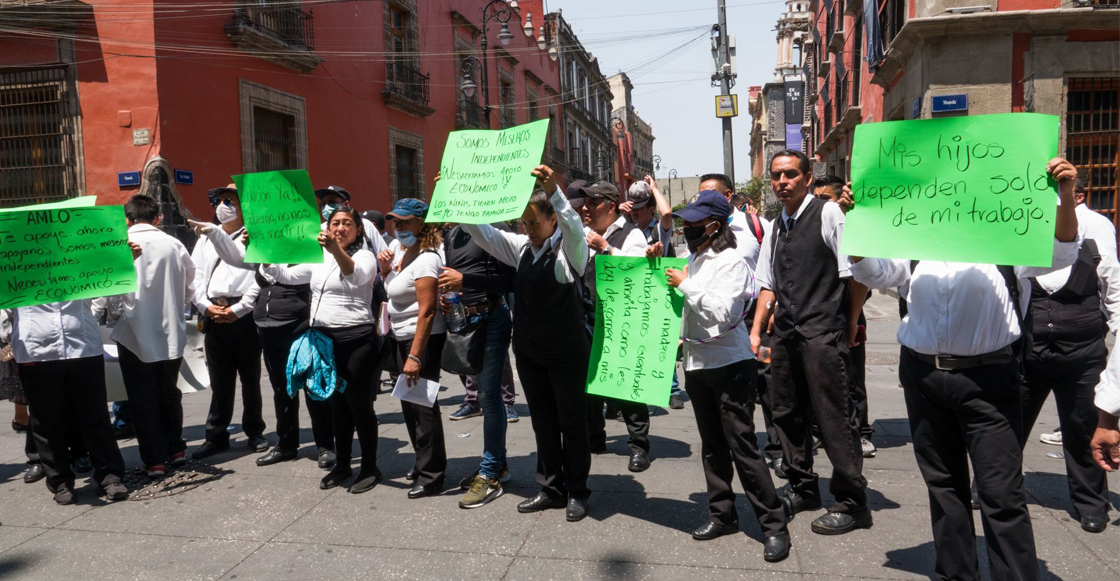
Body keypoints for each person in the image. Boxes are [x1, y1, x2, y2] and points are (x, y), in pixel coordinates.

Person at [848, 157, 1081, 581]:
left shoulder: (1005, 236)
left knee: (1001, 494)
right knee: (944, 489)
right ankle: (955, 573)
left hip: (988, 382)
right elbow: (876, 271)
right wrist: (858, 227)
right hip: (923, 378)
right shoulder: (914, 237)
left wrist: (1064, 196)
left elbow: (1061, 254)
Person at [651, 191, 791, 561]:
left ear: (714, 226)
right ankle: (722, 514)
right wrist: (656, 263)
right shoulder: (692, 260)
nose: (686, 228)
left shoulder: (730, 261)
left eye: (693, 223)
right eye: (684, 223)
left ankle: (774, 525)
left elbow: (723, 311)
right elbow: (668, 280)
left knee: (742, 446)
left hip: (730, 366)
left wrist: (684, 283)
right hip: (698, 366)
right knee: (712, 447)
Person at [750, 150, 871, 536]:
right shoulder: (774, 224)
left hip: (823, 331)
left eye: (790, 175)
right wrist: (756, 330)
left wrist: (850, 322)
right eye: (776, 176)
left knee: (834, 416)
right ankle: (803, 486)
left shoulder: (829, 213)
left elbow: (855, 273)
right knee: (787, 412)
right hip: (785, 332)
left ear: (807, 178)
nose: (781, 182)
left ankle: (852, 499)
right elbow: (768, 282)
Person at [463, 165, 593, 522]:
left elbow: (575, 230)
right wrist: (456, 201)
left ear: (552, 220)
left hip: (567, 353)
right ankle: (551, 488)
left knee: (572, 423)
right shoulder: (520, 248)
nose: (528, 229)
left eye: (534, 223)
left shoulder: (571, 252)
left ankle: (577, 491)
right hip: (531, 353)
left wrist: (556, 193)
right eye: (524, 223)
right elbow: (485, 234)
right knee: (544, 424)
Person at [188, 211, 338, 471]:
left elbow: (288, 276)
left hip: (301, 330)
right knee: (282, 391)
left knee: (314, 389)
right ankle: (286, 444)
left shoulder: (312, 254)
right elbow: (248, 271)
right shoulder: (270, 255)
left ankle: (325, 445)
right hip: (271, 330)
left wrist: (261, 255)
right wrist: (236, 310)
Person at [1019, 178, 1118, 534]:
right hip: (1028, 350)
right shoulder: (1024, 224)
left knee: (1082, 428)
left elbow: (1111, 283)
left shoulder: (1096, 227)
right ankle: (993, 488)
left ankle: (1091, 502)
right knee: (1009, 424)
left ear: (1076, 195)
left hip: (1082, 351)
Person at [260, 207, 383, 493]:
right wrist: (264, 254)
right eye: (335, 223)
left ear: (358, 230)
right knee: (335, 404)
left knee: (359, 405)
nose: (340, 227)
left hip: (357, 340)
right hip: (325, 341)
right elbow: (286, 276)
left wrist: (334, 249)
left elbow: (355, 275)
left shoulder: (364, 255)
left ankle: (370, 467)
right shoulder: (319, 256)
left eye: (347, 223)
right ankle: (343, 464)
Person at [571, 180, 654, 472]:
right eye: (585, 204)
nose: (585, 209)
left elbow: (639, 272)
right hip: (589, 317)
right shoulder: (586, 234)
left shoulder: (632, 235)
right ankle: (594, 437)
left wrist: (606, 248)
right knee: (590, 383)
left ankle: (639, 446)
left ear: (609, 206)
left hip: (621, 319)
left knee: (625, 384)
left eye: (592, 204)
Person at [112, 194, 195, 477]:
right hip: (170, 330)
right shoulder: (174, 244)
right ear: (157, 217)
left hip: (134, 333)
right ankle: (176, 449)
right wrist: (177, 307)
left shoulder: (120, 246)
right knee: (169, 392)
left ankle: (154, 460)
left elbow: (111, 291)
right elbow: (188, 286)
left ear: (127, 219)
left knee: (141, 399)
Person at [437, 217, 518, 508]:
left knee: (489, 398)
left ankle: (489, 476)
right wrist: (448, 298)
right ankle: (499, 465)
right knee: (486, 395)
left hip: (491, 318)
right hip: (465, 318)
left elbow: (512, 279)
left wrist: (466, 281)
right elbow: (454, 277)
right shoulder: (453, 233)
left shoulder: (495, 229)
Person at [376, 198, 449, 499]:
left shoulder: (427, 259)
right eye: (396, 221)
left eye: (406, 222)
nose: (399, 227)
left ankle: (432, 475)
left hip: (421, 339)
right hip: (400, 336)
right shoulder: (401, 252)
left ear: (422, 223)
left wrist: (416, 356)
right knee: (409, 404)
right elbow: (393, 292)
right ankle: (423, 463)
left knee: (422, 407)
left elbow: (427, 311)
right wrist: (383, 271)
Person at [191, 185, 266, 459]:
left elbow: (261, 276)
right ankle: (216, 434)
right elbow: (195, 277)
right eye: (221, 200)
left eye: (230, 200)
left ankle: (255, 431)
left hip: (244, 315)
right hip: (214, 312)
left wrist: (241, 308)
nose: (223, 205)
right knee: (219, 380)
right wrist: (205, 306)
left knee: (250, 378)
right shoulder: (205, 238)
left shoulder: (254, 236)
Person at [813, 174, 876, 459]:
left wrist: (852, 319)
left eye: (824, 199)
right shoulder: (814, 226)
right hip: (822, 316)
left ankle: (861, 434)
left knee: (852, 376)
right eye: (815, 200)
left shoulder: (850, 225)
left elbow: (861, 278)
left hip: (850, 311)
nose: (819, 205)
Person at [622, 177, 686, 411]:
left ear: (651, 209)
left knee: (663, 340)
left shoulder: (659, 230)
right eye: (633, 207)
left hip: (659, 293)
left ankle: (672, 390)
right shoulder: (625, 228)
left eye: (641, 209)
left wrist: (656, 190)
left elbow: (667, 214)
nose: (635, 213)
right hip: (631, 294)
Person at [316, 186, 388, 255]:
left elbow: (385, 257)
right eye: (323, 203)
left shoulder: (365, 225)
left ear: (346, 204)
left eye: (331, 202)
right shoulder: (320, 229)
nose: (326, 207)